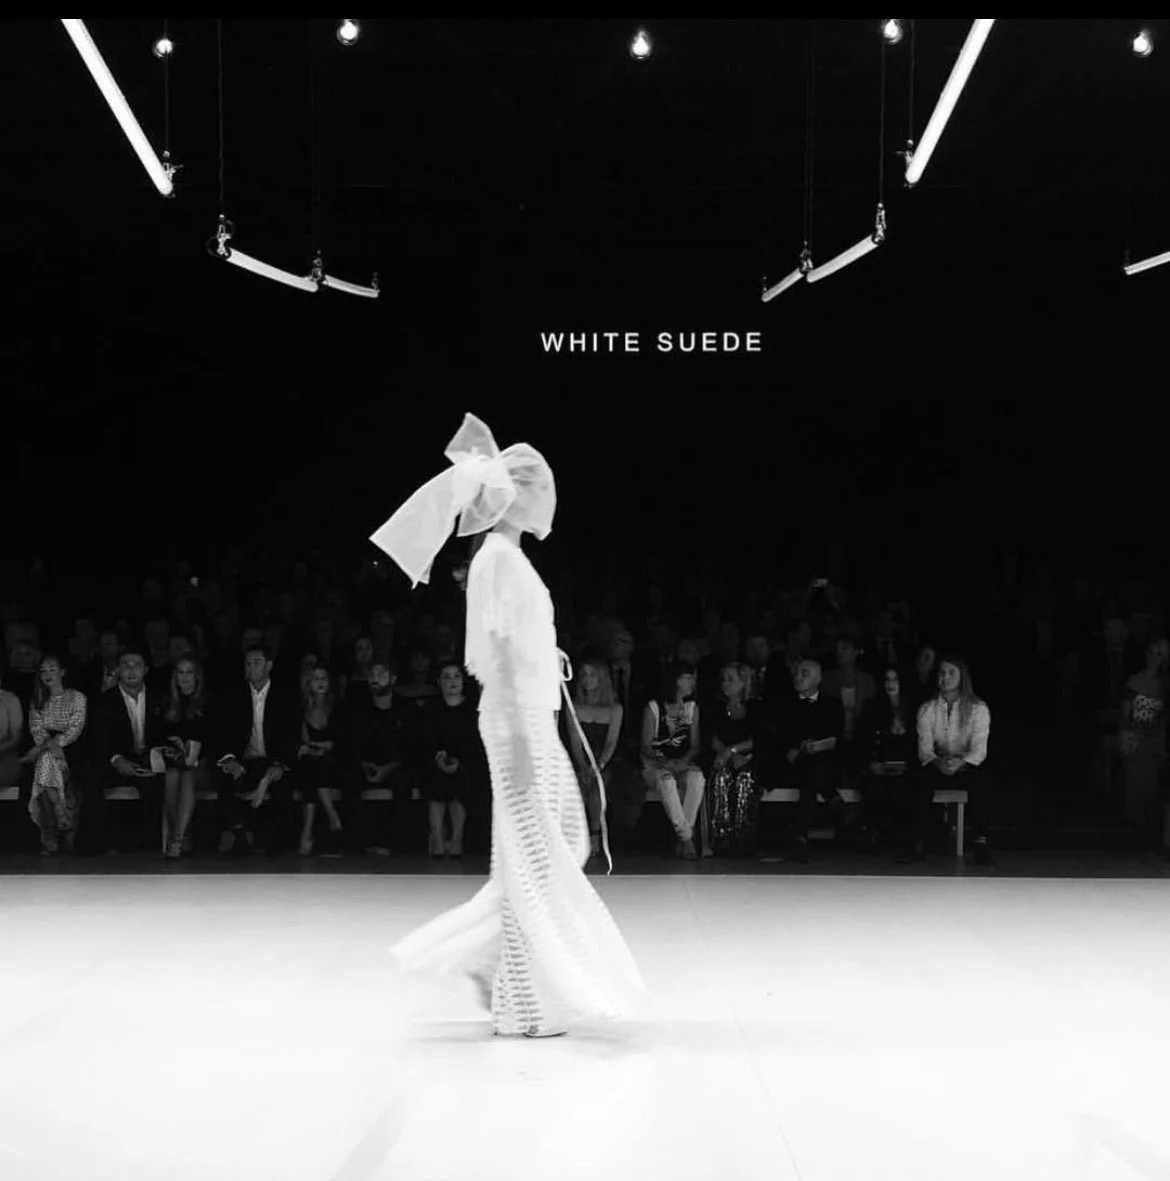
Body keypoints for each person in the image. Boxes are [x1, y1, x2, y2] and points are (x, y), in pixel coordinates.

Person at [370, 412, 644, 1038]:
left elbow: (512, 640)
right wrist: (522, 740)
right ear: (514, 494)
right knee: (537, 858)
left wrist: (547, 657)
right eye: (539, 486)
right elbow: (492, 652)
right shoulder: (498, 558)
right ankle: (517, 997)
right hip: (518, 721)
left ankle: (492, 968)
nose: (548, 498)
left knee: (543, 853)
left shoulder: (505, 558)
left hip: (528, 715)